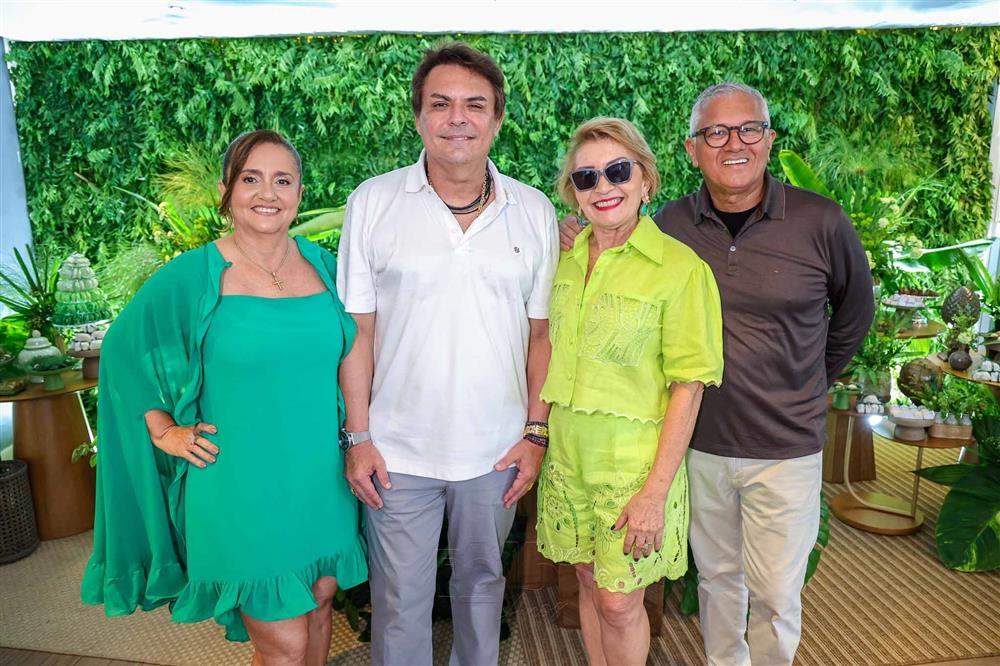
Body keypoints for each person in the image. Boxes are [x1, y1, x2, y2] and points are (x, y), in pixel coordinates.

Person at [559, 84, 873, 666]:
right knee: (718, 581)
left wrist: (807, 384)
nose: (734, 144)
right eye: (716, 133)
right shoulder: (671, 225)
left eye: (748, 129)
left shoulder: (820, 220)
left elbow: (855, 314)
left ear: (769, 139)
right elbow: (615, 250)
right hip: (699, 444)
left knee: (776, 593)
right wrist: (571, 235)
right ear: (692, 148)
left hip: (785, 446)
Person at [81, 130, 367, 666]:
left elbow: (355, 348)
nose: (268, 193)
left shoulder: (326, 267)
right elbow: (123, 350)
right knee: (283, 643)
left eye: (282, 180)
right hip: (237, 486)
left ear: (300, 192)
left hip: (319, 479)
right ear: (226, 191)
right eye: (250, 179)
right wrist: (163, 429)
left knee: (319, 608)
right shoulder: (192, 276)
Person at [336, 42, 559, 666]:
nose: (457, 118)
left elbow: (542, 338)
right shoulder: (372, 202)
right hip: (396, 450)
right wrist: (358, 438)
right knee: (398, 599)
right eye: (440, 104)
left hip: (497, 450)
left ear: (497, 119)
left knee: (483, 589)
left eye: (474, 105)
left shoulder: (533, 210)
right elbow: (357, 333)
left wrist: (535, 434)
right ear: (418, 117)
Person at [536, 117, 723, 666]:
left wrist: (654, 494)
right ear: (573, 193)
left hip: (635, 469)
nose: (603, 187)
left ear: (646, 180)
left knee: (619, 602)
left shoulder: (681, 269)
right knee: (588, 582)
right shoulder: (564, 260)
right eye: (586, 177)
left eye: (618, 171)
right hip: (568, 459)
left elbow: (690, 387)